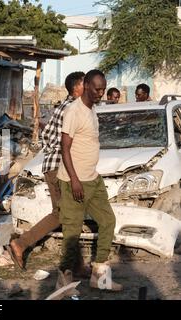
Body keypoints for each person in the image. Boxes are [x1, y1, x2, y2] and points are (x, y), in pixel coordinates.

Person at [7, 71, 89, 277]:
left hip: (58, 167)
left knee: (66, 215)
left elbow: (52, 136)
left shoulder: (71, 108)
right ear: (76, 88)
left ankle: (75, 264)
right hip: (60, 168)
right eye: (85, 84)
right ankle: (21, 243)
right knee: (65, 214)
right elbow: (53, 138)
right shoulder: (72, 108)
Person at [57, 69, 122, 291]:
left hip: (93, 179)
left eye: (103, 89)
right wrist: (74, 180)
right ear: (85, 85)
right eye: (97, 89)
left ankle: (100, 276)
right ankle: (63, 283)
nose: (100, 93)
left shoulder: (92, 109)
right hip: (73, 181)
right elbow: (64, 148)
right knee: (72, 233)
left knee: (107, 221)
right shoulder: (73, 111)